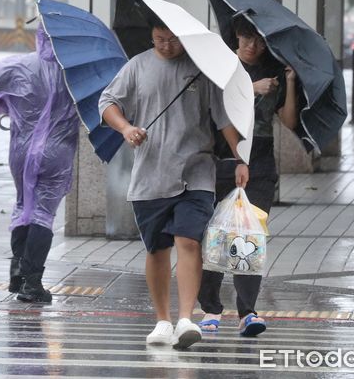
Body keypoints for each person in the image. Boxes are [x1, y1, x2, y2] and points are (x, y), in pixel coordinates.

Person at [99, 20, 245, 349]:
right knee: (156, 249)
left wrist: (241, 158)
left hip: (196, 171)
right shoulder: (137, 66)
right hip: (150, 174)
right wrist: (125, 128)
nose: (166, 46)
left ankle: (185, 319)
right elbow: (107, 103)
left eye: (173, 40)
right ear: (151, 37)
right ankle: (163, 320)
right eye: (159, 39)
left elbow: (223, 119)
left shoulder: (200, 70)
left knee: (189, 241)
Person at [197, 17, 298, 336]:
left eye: (259, 39)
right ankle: (210, 308)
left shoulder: (276, 72)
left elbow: (290, 121)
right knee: (216, 236)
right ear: (235, 37)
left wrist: (290, 82)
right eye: (246, 37)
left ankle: (248, 312)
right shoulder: (220, 67)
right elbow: (212, 109)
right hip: (221, 161)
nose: (253, 45)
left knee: (249, 237)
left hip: (261, 163)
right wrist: (251, 89)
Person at [0, 27, 80, 304]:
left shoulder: (18, 65)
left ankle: (18, 274)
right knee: (43, 214)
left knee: (24, 206)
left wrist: (10, 106)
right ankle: (32, 283)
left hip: (21, 150)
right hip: (56, 152)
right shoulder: (74, 73)